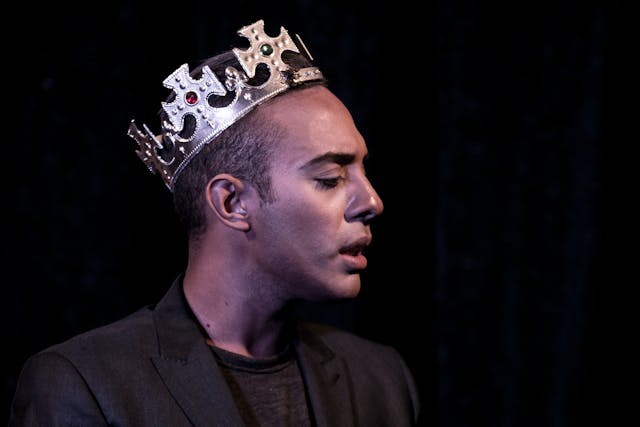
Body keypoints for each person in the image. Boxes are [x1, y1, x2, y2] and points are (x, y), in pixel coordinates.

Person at [9, 19, 421, 426]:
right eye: (330, 178)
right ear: (232, 202)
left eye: (364, 171)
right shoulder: (86, 387)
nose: (372, 202)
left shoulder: (381, 379)